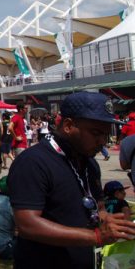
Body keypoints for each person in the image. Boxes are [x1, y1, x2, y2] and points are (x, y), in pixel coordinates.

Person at [8, 92, 135, 269]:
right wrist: (96, 237)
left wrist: (114, 222)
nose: (102, 142)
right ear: (68, 126)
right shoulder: (33, 162)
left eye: (106, 135)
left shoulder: (90, 163)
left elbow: (99, 209)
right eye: (96, 133)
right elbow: (28, 224)